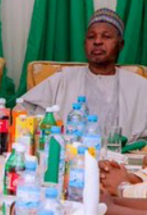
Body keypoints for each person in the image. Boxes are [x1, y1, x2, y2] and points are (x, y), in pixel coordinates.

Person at [18, 8, 147, 141]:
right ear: (85, 44)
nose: (97, 41)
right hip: (70, 152)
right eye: (91, 37)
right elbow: (22, 109)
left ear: (121, 45)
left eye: (106, 36)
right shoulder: (63, 79)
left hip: (123, 154)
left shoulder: (140, 86)